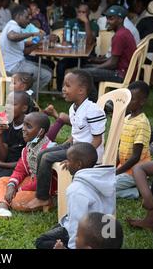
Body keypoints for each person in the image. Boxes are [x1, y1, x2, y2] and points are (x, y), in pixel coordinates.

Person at [25, 70, 106, 211]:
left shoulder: (93, 111)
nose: (63, 89)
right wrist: (64, 146)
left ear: (81, 90)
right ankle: (44, 192)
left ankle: (42, 198)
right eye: (63, 85)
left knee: (47, 158)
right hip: (73, 146)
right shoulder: (73, 108)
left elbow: (97, 140)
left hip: (86, 153)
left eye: (68, 85)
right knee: (42, 154)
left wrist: (76, 159)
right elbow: (77, 133)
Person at [35, 142, 116, 249]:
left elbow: (76, 223)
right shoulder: (107, 180)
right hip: (104, 234)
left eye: (68, 160)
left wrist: (74, 246)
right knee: (58, 227)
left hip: (86, 234)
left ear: (79, 164)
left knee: (41, 241)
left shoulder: (77, 190)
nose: (66, 163)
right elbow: (110, 212)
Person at [0, 112, 56, 218]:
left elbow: (44, 180)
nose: (23, 129)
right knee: (1, 181)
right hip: (31, 180)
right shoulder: (28, 148)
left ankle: (49, 201)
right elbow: (20, 170)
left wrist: (19, 189)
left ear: (40, 132)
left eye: (28, 126)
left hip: (43, 188)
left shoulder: (48, 150)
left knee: (17, 201)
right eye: (24, 125)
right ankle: (3, 209)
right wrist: (11, 186)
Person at [0, 5, 52, 91]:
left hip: (14, 64)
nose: (29, 20)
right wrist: (32, 34)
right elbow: (11, 36)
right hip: (14, 67)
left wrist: (38, 41)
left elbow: (25, 48)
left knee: (47, 68)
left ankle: (24, 95)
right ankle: (26, 97)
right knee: (47, 75)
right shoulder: (14, 27)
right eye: (26, 17)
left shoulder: (11, 25)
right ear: (18, 17)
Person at [116, 81, 152, 199]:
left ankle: (138, 191)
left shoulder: (142, 123)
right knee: (101, 186)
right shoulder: (127, 118)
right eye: (127, 98)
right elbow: (120, 146)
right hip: (123, 168)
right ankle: (139, 188)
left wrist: (117, 172)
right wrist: (112, 167)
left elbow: (136, 157)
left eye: (132, 99)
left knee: (105, 188)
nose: (128, 102)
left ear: (142, 101)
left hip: (135, 172)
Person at [85, 5, 136, 86]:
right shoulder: (124, 32)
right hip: (124, 71)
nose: (108, 21)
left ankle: (94, 97)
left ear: (120, 20)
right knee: (87, 67)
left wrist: (96, 68)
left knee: (85, 73)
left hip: (121, 74)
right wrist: (96, 62)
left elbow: (113, 63)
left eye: (111, 19)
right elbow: (113, 59)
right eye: (107, 18)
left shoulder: (119, 36)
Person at [55, 3, 99, 91]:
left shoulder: (94, 25)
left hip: (87, 57)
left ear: (88, 13)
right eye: (79, 12)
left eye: (84, 12)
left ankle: (83, 92)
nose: (81, 14)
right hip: (72, 55)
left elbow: (89, 42)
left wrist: (86, 22)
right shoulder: (71, 23)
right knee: (60, 65)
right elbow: (65, 41)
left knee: (86, 70)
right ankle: (60, 91)